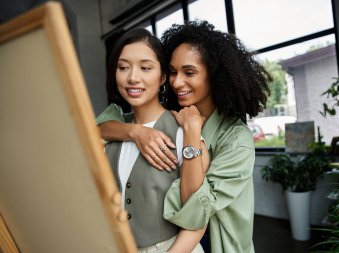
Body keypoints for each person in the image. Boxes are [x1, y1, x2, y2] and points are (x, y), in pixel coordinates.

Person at [97, 21, 271, 252]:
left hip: (218, 240)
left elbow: (196, 209)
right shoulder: (169, 114)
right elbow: (98, 128)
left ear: (215, 75)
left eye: (189, 72)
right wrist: (135, 132)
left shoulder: (236, 139)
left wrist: (191, 133)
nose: (176, 82)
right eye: (172, 72)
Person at [98, 27, 208, 253]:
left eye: (145, 68)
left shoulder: (183, 135)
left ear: (163, 77)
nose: (133, 77)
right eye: (123, 67)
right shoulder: (112, 131)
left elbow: (197, 218)